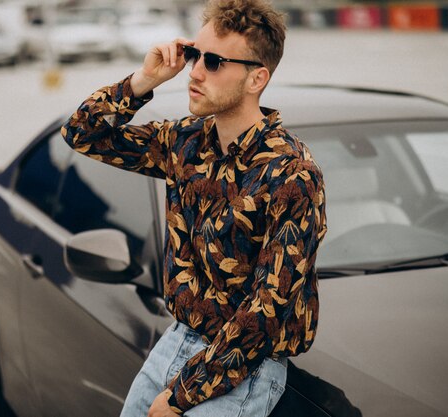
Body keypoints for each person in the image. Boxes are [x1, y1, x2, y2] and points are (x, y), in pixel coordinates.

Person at [61, 0, 327, 416]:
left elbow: (265, 312)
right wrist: (142, 81)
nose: (195, 71)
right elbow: (82, 133)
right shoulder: (184, 142)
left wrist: (181, 395)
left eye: (215, 61)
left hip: (245, 366)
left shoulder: (292, 173)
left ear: (258, 77)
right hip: (179, 338)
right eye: (194, 55)